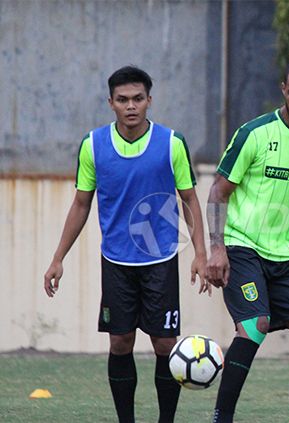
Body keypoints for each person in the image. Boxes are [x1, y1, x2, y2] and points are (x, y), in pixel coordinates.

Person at [43, 66, 209, 423]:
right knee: (120, 343)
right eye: (123, 100)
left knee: (165, 344)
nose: (131, 106)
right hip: (116, 261)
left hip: (160, 259)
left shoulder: (171, 142)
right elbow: (81, 204)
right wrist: (58, 258)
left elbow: (190, 200)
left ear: (149, 100)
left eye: (137, 99)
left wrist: (200, 253)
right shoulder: (93, 145)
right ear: (111, 103)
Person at [206, 58, 289, 423]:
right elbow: (218, 191)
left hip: (287, 255)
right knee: (254, 325)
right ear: (283, 89)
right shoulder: (254, 133)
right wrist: (217, 248)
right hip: (242, 246)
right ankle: (222, 417)